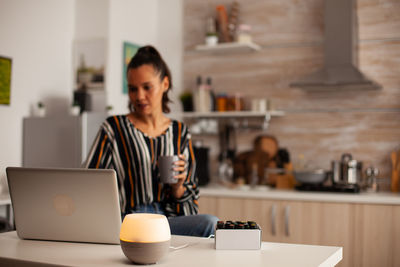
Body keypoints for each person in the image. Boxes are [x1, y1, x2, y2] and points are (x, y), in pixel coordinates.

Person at [83, 45, 218, 237]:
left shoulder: (179, 132)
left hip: (167, 223)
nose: (139, 96)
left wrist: (178, 187)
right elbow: (88, 182)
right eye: (132, 89)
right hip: (130, 221)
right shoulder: (114, 128)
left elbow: (190, 201)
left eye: (147, 87)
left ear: (164, 84)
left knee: (211, 224)